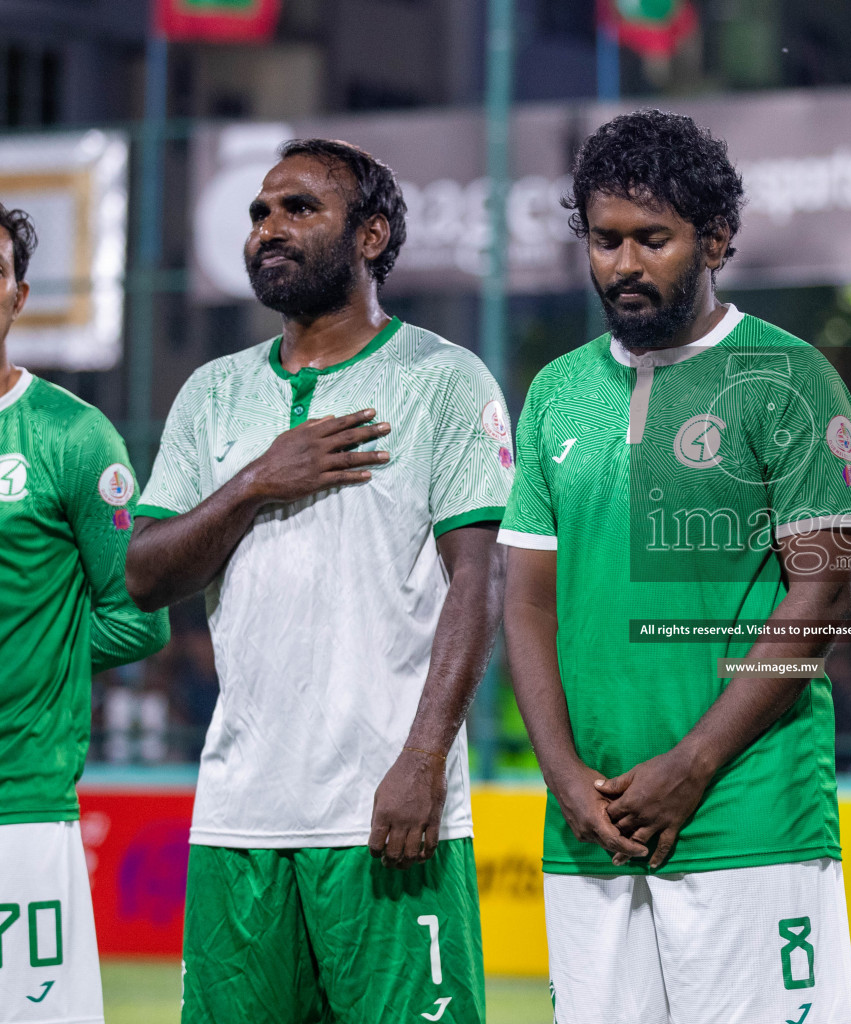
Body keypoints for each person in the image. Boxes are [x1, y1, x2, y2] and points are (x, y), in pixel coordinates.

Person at [124, 139, 509, 1023]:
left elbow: (477, 586)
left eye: (300, 209)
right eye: (261, 212)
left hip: (386, 815)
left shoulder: (444, 380)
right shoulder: (212, 394)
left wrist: (422, 762)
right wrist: (258, 478)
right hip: (239, 814)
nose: (269, 228)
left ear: (371, 236)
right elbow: (144, 575)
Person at [500, 109, 851, 1024]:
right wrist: (563, 777)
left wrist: (693, 766)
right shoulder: (556, 392)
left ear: (716, 238)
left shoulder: (791, 375)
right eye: (604, 239)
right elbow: (528, 607)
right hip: (590, 825)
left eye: (652, 240)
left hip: (748, 814)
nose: (624, 265)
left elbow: (821, 594)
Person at [0, 202, 168, 1023]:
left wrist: (33, 653)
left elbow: (139, 617)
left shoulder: (71, 435)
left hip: (19, 800)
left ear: (18, 296)